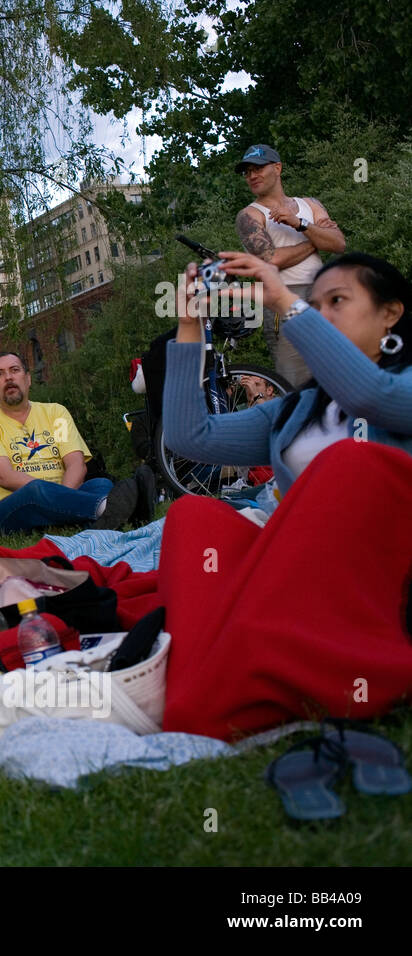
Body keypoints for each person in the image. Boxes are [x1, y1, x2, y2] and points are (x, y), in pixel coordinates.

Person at [158, 250, 412, 739]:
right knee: (194, 517)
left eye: (337, 300)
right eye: (315, 306)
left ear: (391, 313)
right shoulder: (299, 410)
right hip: (302, 568)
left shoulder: (400, 386)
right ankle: (199, 689)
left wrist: (282, 302)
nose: (322, 314)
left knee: (347, 464)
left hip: (382, 576)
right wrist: (190, 325)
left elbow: (370, 396)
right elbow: (191, 438)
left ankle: (331, 672)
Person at [0, 352, 152, 534]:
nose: (8, 377)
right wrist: (57, 498)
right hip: (10, 509)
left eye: (14, 370)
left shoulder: (56, 414)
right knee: (35, 490)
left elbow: (76, 465)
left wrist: (59, 502)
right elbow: (5, 477)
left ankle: (93, 523)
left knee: (100, 484)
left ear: (28, 379)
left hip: (62, 495)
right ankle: (110, 509)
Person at [234, 144, 346, 388]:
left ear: (278, 168)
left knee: (335, 370)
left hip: (324, 295)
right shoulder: (250, 215)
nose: (252, 176)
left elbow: (338, 243)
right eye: (247, 172)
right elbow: (271, 260)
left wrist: (300, 224)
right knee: (293, 380)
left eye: (258, 169)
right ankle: (297, 425)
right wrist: (315, 241)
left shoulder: (309, 204)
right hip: (283, 297)